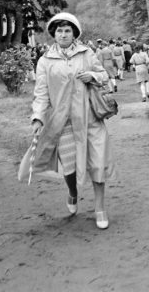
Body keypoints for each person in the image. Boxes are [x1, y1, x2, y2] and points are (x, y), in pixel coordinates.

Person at [29, 12, 115, 229]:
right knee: (69, 167)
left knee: (97, 161)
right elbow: (41, 93)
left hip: (90, 118)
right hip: (62, 121)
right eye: (60, 31)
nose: (64, 35)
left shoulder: (87, 54)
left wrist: (92, 76)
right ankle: (73, 192)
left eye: (68, 31)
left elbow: (104, 75)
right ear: (53, 34)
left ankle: (100, 208)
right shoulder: (45, 61)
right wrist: (38, 117)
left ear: (75, 33)